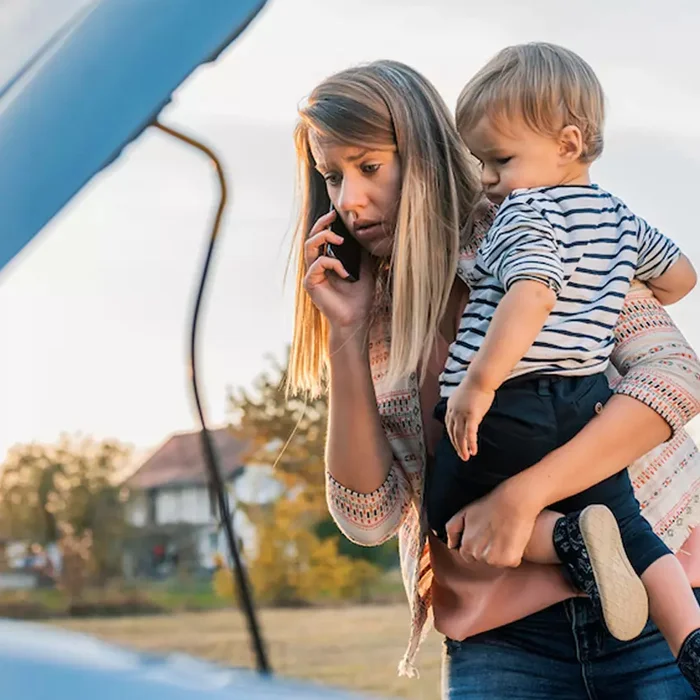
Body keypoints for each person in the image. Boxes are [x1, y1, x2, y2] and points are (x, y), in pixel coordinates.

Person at [286, 59, 700, 698]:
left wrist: (525, 497)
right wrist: (345, 334)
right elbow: (370, 515)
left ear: (423, 154)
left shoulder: (536, 222)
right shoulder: (375, 316)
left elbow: (674, 375)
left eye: (369, 167)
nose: (349, 200)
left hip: (660, 600)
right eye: (332, 177)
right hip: (502, 642)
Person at [425, 42, 700, 688]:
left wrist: (478, 383)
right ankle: (688, 636)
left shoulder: (524, 212)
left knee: (445, 505)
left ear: (568, 143)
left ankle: (566, 537)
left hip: (513, 404)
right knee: (635, 532)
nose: (488, 179)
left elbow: (532, 292)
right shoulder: (620, 220)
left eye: (499, 160)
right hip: (585, 405)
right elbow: (682, 277)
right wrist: (613, 288)